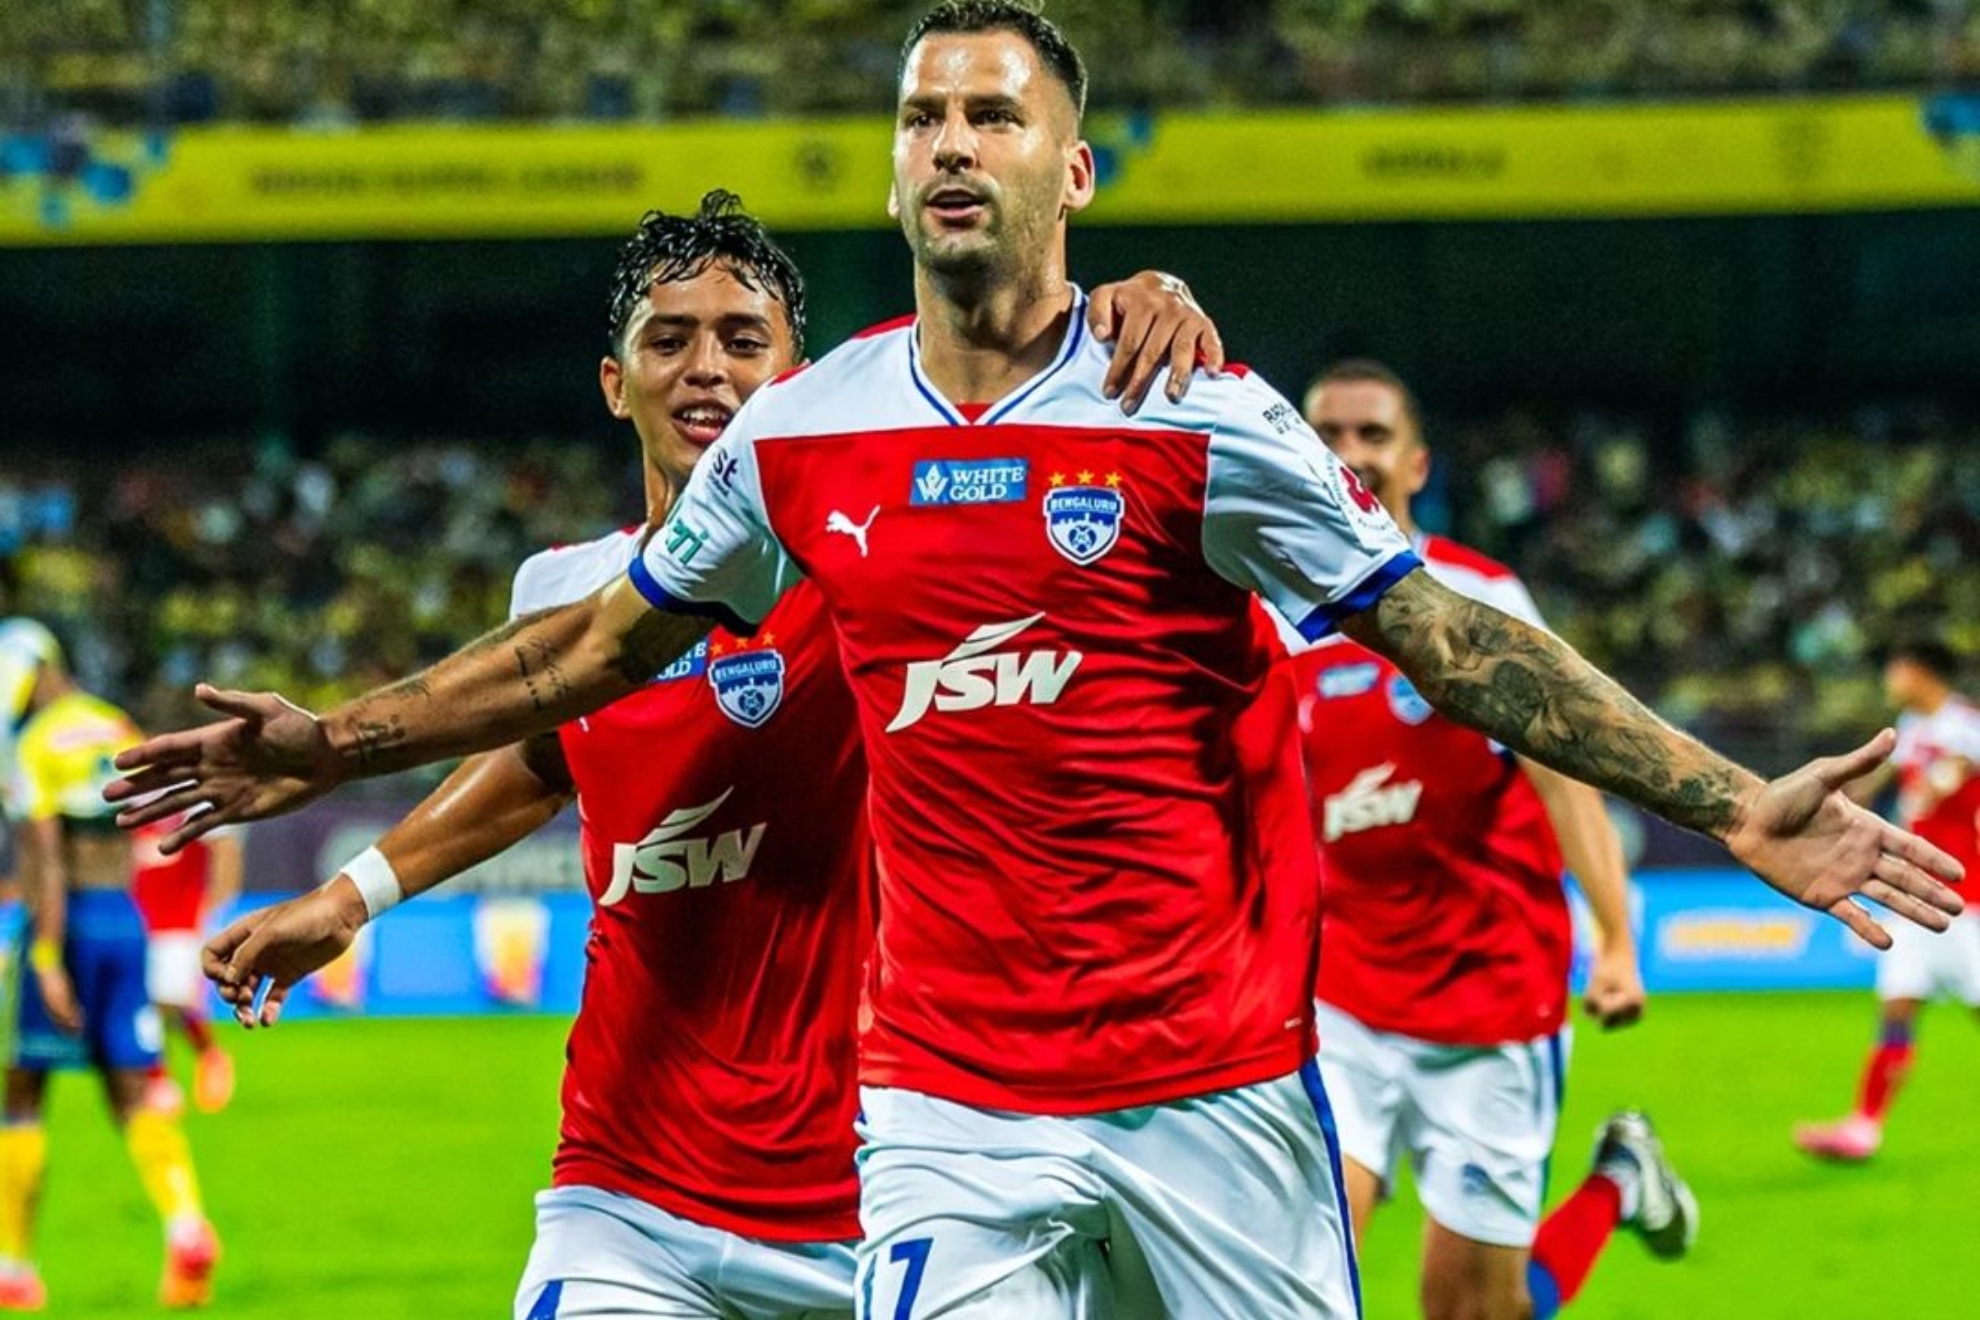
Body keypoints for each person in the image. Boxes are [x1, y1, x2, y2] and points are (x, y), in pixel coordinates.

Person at [109, 4, 1963, 1317]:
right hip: (945, 1109)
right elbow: (587, 653)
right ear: (894, 166)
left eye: (994, 115)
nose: (953, 145)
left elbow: (1452, 639)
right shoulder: (801, 443)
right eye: (924, 117)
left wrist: (1735, 801)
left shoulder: (1197, 416)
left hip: (1218, 1088)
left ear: (1072, 166)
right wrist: (331, 750)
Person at [193, 191, 1228, 1320]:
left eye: (744, 342)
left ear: (801, 378)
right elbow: (545, 755)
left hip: (879, 1196)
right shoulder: (559, 595)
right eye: (669, 341)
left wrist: (1124, 307)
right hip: (627, 1196)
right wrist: (354, 894)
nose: (706, 371)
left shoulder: (875, 561)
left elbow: (1013, 408)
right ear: (613, 380)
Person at [1288, 360, 1684, 1320]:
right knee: (1295, 1277)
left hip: (1488, 998)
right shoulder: (1265, 610)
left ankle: (1618, 1182)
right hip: (1335, 1001)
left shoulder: (1477, 597)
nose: (1350, 456)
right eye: (1328, 436)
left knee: (1470, 1313)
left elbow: (1564, 774)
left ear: (1416, 463)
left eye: (1372, 435)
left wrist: (1619, 942)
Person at [0, 619, 219, 1311]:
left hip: (66, 928)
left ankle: (13, 1264)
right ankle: (185, 1222)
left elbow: (42, 861)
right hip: (127, 921)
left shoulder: (33, 746)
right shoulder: (115, 727)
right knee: (133, 1088)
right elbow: (148, 833)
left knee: (24, 1094)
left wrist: (45, 959)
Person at [1795, 638, 1980, 1162]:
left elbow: (1958, 769)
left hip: (1964, 899)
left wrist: (1946, 779)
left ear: (1922, 672)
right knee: (1898, 1007)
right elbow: (1886, 779)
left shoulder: (1964, 723)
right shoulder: (1914, 725)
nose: (1890, 676)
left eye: (1897, 667)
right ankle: (1864, 1127)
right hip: (1914, 894)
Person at [131, 815, 242, 1114]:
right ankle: (158, 1081)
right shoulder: (133, 816)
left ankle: (209, 1052)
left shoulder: (192, 810)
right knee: (147, 1002)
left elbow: (226, 849)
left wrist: (217, 904)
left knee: (171, 1001)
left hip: (181, 923)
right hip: (140, 922)